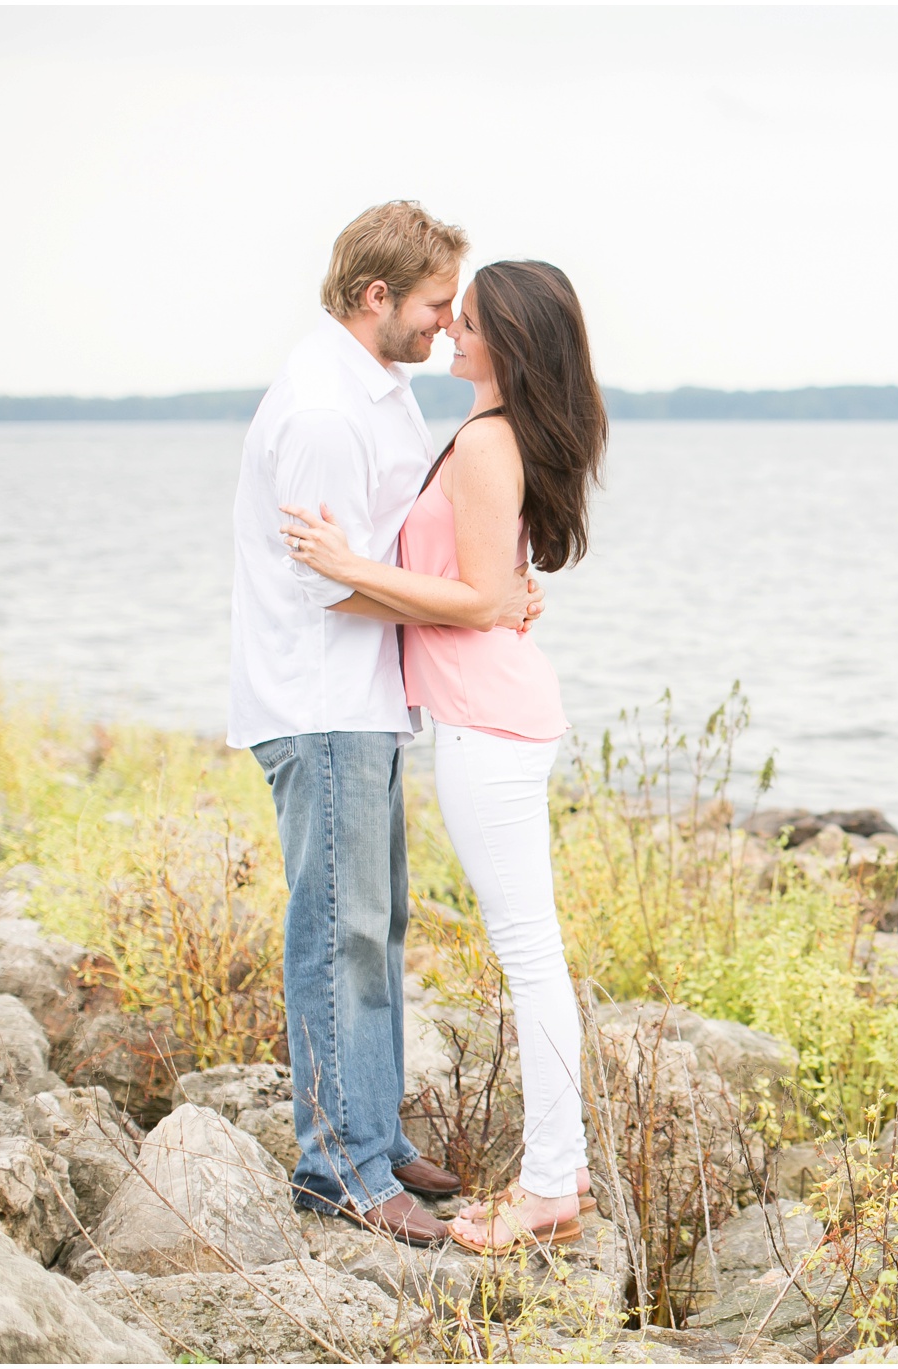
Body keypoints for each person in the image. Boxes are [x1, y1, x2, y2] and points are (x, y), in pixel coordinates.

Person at [230, 202, 545, 1246]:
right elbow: (337, 591)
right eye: (433, 302)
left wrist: (491, 586)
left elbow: (403, 555)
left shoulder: (381, 394)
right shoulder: (324, 408)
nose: (448, 322)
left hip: (365, 703)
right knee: (338, 932)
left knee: (377, 927)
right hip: (322, 702)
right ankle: (343, 1170)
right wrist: (481, 602)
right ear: (375, 299)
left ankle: (373, 1129)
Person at [280, 259, 606, 1255]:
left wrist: (347, 569)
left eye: (466, 322)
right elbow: (486, 586)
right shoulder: (490, 438)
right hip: (489, 713)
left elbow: (470, 598)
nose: (449, 333)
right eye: (449, 314)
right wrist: (368, 583)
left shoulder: (483, 443)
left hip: (488, 724)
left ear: (508, 338)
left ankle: (554, 1184)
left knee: (526, 951)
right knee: (528, 947)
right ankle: (560, 1175)